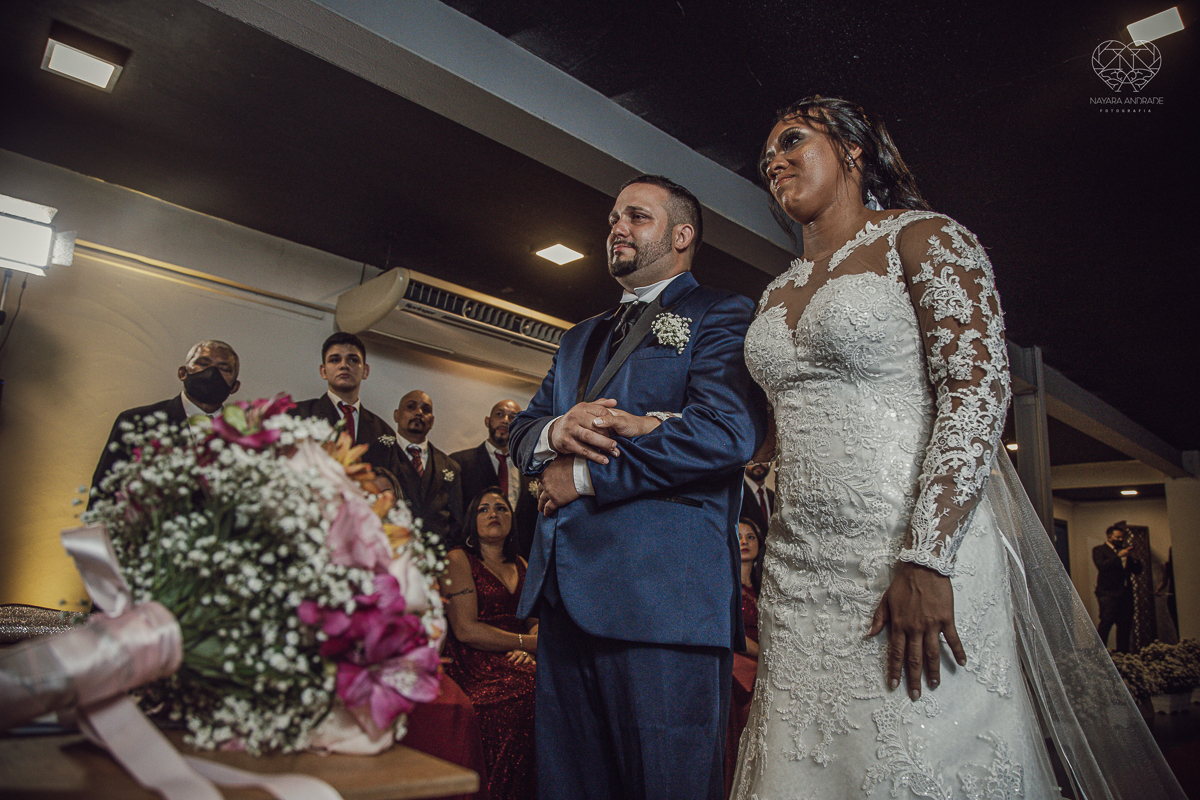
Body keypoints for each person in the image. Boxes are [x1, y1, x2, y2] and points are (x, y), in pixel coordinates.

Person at [732, 96, 1183, 800]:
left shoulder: (926, 238)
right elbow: (776, 429)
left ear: (853, 151)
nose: (774, 162)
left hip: (910, 558)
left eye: (792, 140)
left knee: (920, 758)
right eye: (766, 158)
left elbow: (975, 395)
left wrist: (926, 556)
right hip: (798, 576)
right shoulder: (778, 290)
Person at [509, 174, 767, 800]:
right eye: (612, 219)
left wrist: (588, 476)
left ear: (682, 236)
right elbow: (523, 430)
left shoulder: (721, 314)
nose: (616, 229)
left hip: (663, 599)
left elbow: (725, 433)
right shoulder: (577, 337)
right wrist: (555, 434)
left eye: (636, 217)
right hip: (565, 599)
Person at [443, 488, 538, 800]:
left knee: (553, 687)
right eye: (483, 509)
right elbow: (465, 630)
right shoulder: (458, 560)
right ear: (473, 521)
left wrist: (534, 642)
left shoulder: (522, 563)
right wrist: (524, 643)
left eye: (502, 508)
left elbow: (533, 619)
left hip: (518, 654)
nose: (494, 514)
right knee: (519, 696)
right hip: (475, 659)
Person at [90, 339, 240, 502]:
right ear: (182, 372)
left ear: (234, 387)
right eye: (203, 363)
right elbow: (104, 492)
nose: (212, 373)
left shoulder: (245, 433)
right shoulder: (136, 422)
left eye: (224, 369)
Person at [290, 332, 398, 476]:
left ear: (365, 371)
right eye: (335, 360)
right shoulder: (298, 415)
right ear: (323, 371)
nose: (344, 365)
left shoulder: (384, 431)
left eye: (353, 360)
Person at [452, 400, 539, 560]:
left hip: (523, 559)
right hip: (474, 558)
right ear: (487, 421)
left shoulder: (532, 469)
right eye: (499, 414)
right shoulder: (460, 463)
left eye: (513, 417)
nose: (505, 420)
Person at [390, 390, 464, 546]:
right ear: (396, 415)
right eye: (411, 407)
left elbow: (456, 522)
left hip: (435, 558)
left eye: (426, 410)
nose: (418, 413)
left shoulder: (450, 466)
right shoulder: (378, 454)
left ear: (432, 421)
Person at [1093, 522, 1143, 653]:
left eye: (1122, 538)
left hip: (1125, 593)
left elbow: (1137, 571)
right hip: (1107, 593)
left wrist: (1135, 558)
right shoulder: (1099, 550)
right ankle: (1099, 653)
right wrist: (1118, 556)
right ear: (1109, 537)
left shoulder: (1126, 551)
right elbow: (1102, 566)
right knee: (1106, 622)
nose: (1120, 540)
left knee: (1125, 625)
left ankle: (1124, 654)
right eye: (1117, 537)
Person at [742, 462, 774, 535]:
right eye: (755, 456)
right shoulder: (734, 494)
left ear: (771, 462)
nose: (759, 462)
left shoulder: (775, 497)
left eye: (765, 458)